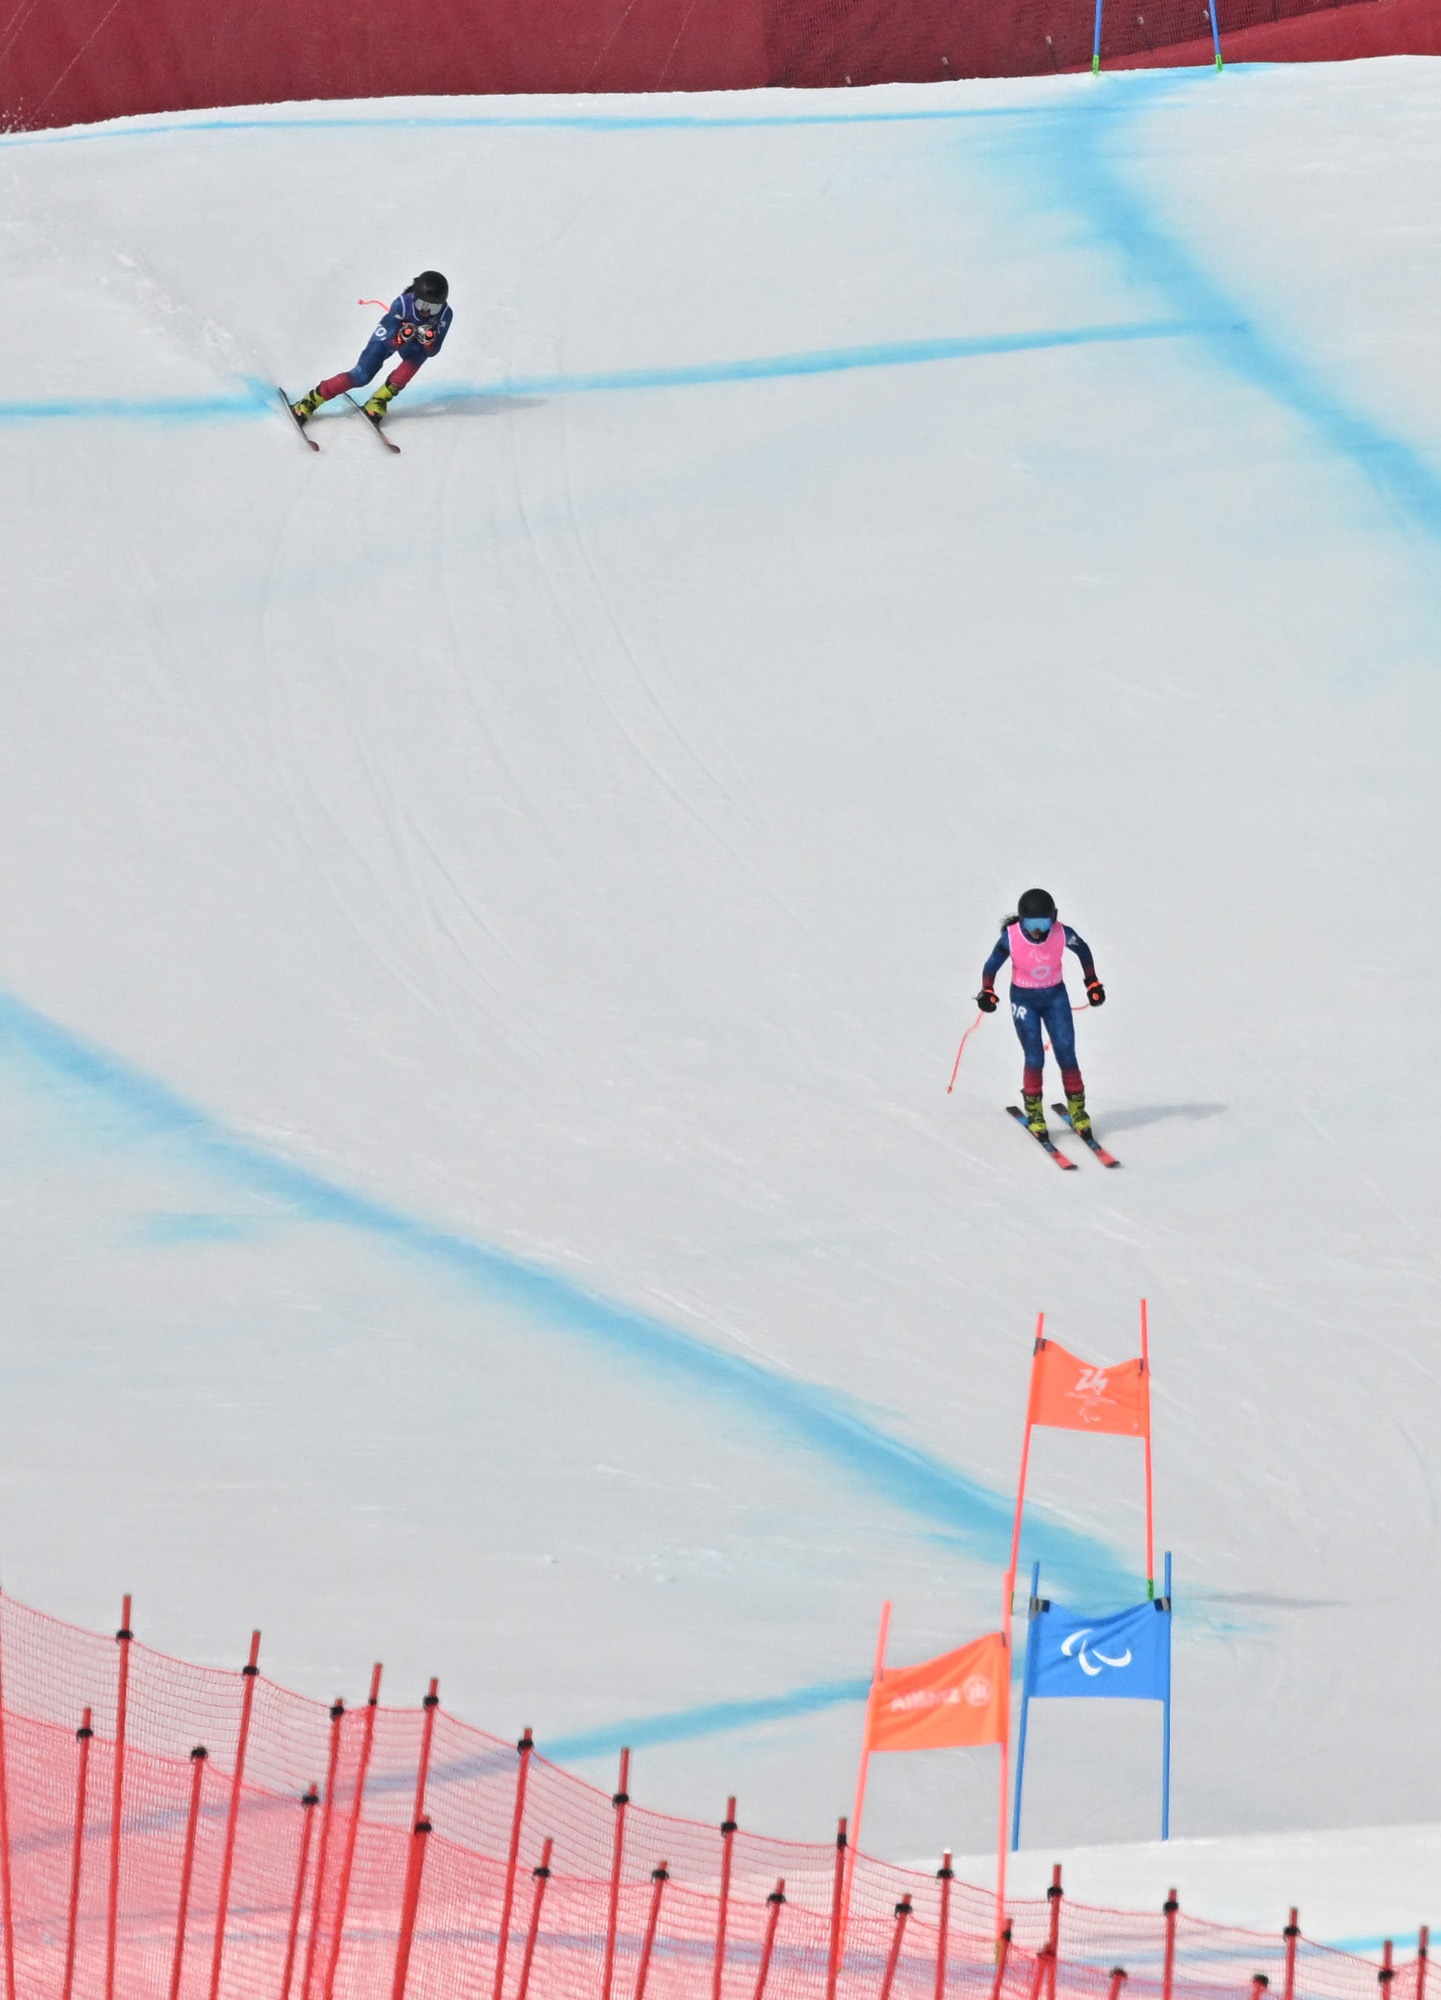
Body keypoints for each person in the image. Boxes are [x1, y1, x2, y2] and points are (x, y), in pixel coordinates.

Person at [976, 889, 1105, 1138]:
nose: (1037, 930)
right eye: (1031, 923)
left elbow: (1084, 951)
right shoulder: (1011, 937)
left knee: (1066, 1051)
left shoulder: (1061, 933)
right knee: (1034, 1056)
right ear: (1021, 920)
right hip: (1025, 1000)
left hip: (1055, 997)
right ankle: (1034, 1111)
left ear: (1053, 918)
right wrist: (987, 991)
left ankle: (1078, 1110)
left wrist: (1092, 982)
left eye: (1043, 923)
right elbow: (992, 964)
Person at [290, 271, 452, 429]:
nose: (426, 312)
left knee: (417, 358)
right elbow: (387, 336)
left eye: (433, 308)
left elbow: (433, 351)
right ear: (414, 297)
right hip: (386, 339)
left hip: (412, 344)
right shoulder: (402, 304)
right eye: (422, 305)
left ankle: (379, 400)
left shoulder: (445, 314)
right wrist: (398, 339)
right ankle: (310, 400)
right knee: (361, 376)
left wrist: (429, 343)